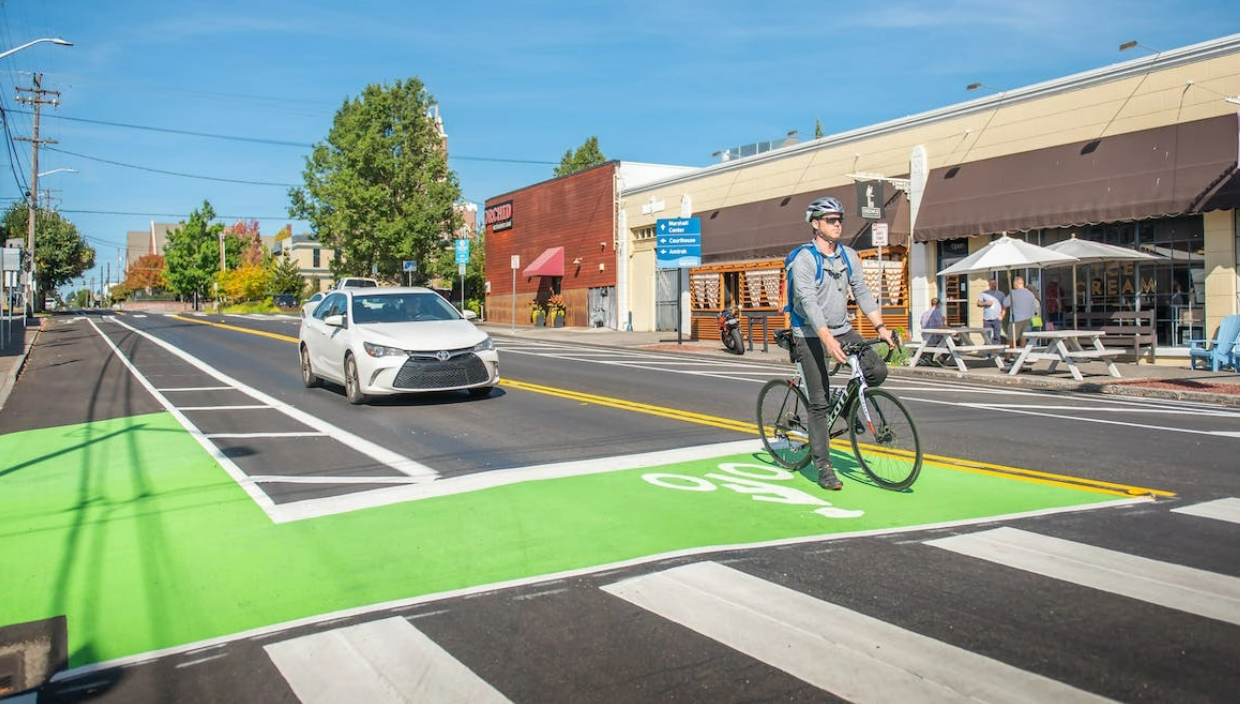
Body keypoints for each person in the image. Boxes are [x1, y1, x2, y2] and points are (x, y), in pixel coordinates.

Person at [785, 196, 895, 491]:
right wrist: (826, 339)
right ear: (815, 224)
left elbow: (862, 292)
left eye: (839, 219)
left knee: (877, 370)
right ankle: (823, 466)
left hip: (842, 328)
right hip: (810, 332)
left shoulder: (848, 255)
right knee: (818, 403)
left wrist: (881, 327)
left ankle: (844, 407)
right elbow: (807, 301)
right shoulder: (804, 259)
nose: (837, 224)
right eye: (830, 220)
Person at [1004, 275, 1040, 348]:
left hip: (1016, 319)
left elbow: (1005, 303)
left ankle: (1008, 356)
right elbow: (1033, 307)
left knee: (1011, 338)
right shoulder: (1030, 294)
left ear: (1016, 284)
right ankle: (1022, 356)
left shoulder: (1013, 293)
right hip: (1027, 318)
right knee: (1023, 338)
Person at [977, 279, 1005, 347]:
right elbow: (978, 303)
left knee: (997, 337)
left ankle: (996, 353)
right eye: (992, 283)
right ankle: (988, 353)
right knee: (987, 337)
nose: (994, 285)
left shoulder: (1001, 294)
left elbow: (1004, 306)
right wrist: (986, 303)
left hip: (997, 318)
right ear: (989, 284)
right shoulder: (984, 293)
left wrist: (1002, 315)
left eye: (995, 283)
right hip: (987, 319)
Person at [919, 297, 947, 365]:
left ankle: (928, 358)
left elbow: (921, 323)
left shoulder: (925, 314)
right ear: (938, 304)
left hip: (925, 337)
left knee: (940, 340)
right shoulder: (936, 313)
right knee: (952, 342)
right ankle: (941, 358)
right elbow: (940, 327)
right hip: (934, 338)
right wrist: (950, 328)